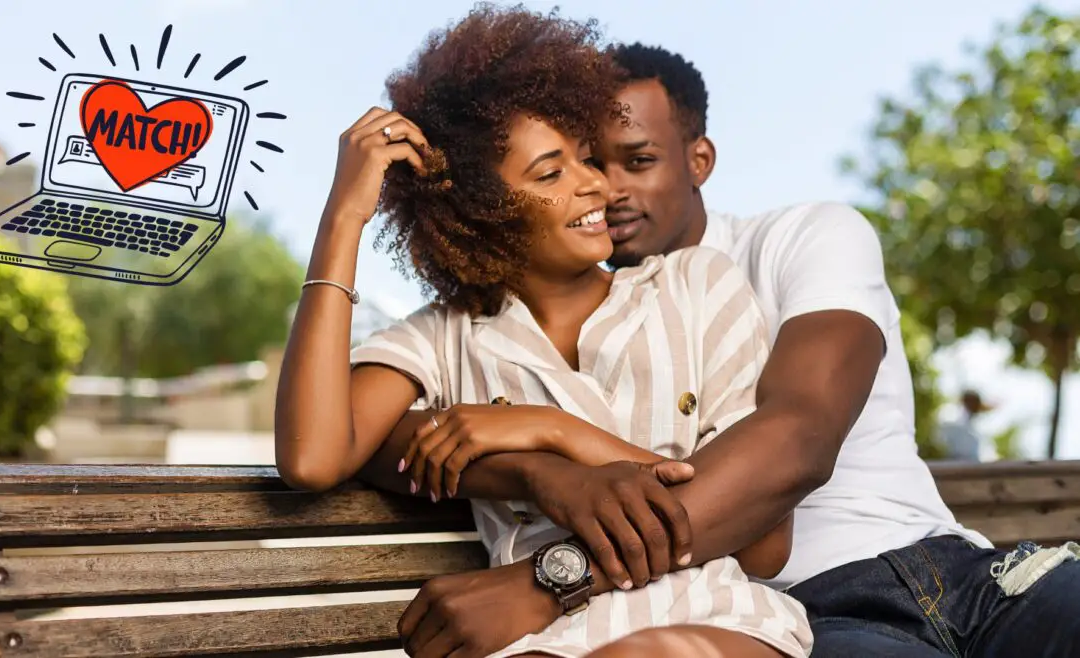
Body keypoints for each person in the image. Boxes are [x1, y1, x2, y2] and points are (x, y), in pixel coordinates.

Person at [363, 40, 1080, 656]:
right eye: (585, 161)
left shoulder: (801, 237)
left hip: (959, 571)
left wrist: (548, 579)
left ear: (698, 158)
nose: (606, 188)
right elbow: (370, 443)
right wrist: (532, 466)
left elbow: (798, 439)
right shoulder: (567, 327)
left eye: (636, 160)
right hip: (810, 617)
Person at [275, 5, 813, 657]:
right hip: (544, 639)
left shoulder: (697, 285)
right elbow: (312, 457)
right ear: (481, 212)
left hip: (717, 622)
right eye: (551, 173)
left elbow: (764, 542)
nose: (594, 185)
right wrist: (344, 217)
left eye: (586, 159)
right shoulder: (445, 338)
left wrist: (553, 431)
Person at [938, 389, 992, 461]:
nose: (975, 406)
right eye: (972, 402)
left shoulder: (977, 424)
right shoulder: (952, 417)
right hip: (955, 462)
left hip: (973, 463)